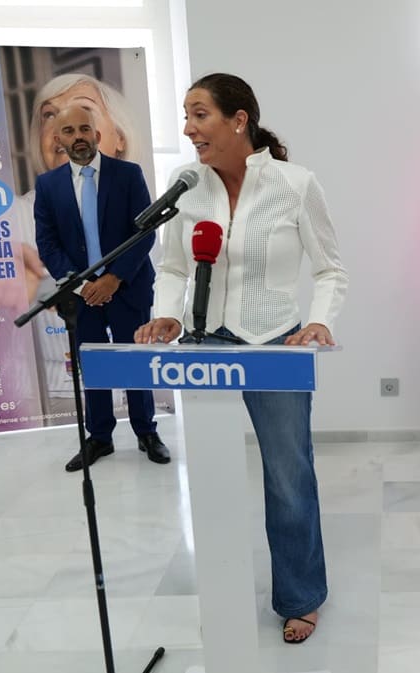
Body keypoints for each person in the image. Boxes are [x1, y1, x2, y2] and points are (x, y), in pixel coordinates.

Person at [135, 73, 348, 644]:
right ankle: (220, 587)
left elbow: (330, 268)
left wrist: (321, 320)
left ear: (239, 119)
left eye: (199, 114)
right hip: (206, 344)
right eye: (185, 114)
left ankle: (300, 596)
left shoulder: (295, 184)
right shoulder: (186, 186)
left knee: (287, 474)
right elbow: (174, 265)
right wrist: (169, 314)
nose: (188, 128)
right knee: (209, 475)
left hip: (277, 343)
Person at [34, 105, 168, 472]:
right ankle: (100, 437)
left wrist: (114, 278)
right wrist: (82, 285)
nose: (77, 136)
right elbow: (47, 243)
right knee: (93, 365)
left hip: (129, 285)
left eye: (84, 129)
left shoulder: (128, 175)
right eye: (69, 131)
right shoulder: (48, 186)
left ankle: (146, 431)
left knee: (136, 361)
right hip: (81, 295)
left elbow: (146, 231)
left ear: (96, 134)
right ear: (59, 139)